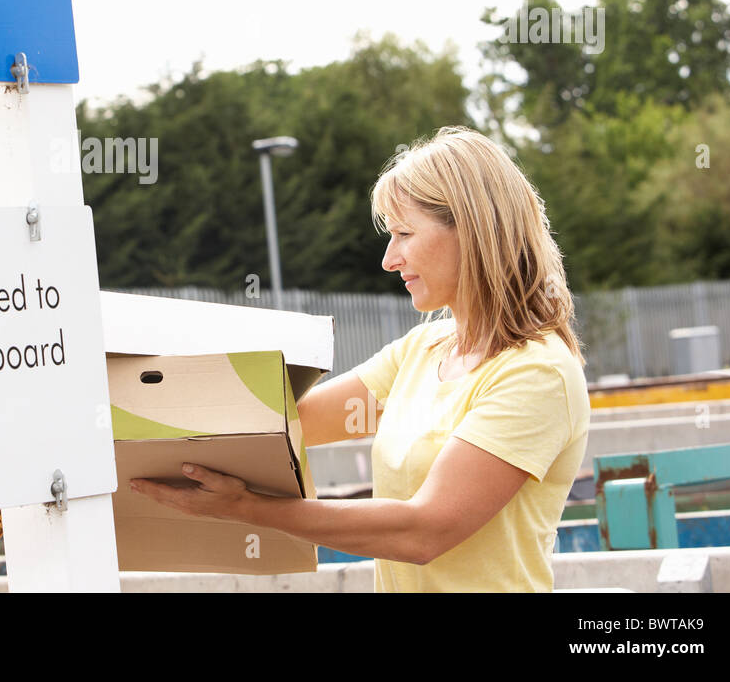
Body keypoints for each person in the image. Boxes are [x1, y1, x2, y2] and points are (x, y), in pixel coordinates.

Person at [130, 126, 591, 591]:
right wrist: (141, 413)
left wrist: (247, 509)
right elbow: (287, 423)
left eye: (404, 233)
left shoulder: (537, 373)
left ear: (472, 232)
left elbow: (424, 531)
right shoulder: (424, 350)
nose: (390, 259)